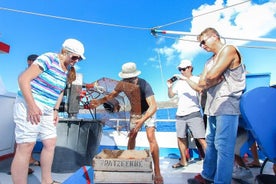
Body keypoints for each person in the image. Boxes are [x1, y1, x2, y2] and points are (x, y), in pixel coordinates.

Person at [11, 38, 85, 184]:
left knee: (50, 143)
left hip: (48, 109)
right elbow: (23, 79)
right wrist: (32, 106)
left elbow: (60, 91)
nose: (76, 61)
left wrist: (55, 110)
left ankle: (47, 181)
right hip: (30, 104)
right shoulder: (49, 58)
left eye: (80, 59)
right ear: (65, 52)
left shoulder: (67, 69)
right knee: (26, 146)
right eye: (75, 57)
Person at [186, 27, 246, 184]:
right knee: (211, 143)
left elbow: (210, 76)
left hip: (227, 105)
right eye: (200, 44)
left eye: (203, 42)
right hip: (211, 108)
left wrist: (210, 78)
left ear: (214, 37)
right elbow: (201, 84)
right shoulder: (209, 61)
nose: (202, 46)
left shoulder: (229, 50)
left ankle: (221, 181)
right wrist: (210, 79)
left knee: (224, 146)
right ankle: (207, 176)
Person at [89, 62, 163, 184]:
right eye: (126, 79)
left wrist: (141, 121)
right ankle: (129, 164)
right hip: (135, 111)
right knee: (132, 135)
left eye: (131, 79)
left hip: (148, 111)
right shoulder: (122, 84)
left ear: (136, 77)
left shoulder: (144, 84)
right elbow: (112, 95)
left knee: (151, 136)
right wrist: (98, 101)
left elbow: (154, 106)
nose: (129, 82)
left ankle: (158, 172)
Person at [167, 59, 206, 168]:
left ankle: (210, 163)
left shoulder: (197, 79)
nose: (182, 72)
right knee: (180, 138)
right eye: (180, 70)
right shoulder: (179, 83)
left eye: (183, 69)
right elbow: (170, 96)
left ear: (190, 68)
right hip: (180, 115)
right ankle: (183, 161)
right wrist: (169, 86)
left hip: (194, 113)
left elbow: (199, 89)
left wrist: (186, 79)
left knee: (201, 139)